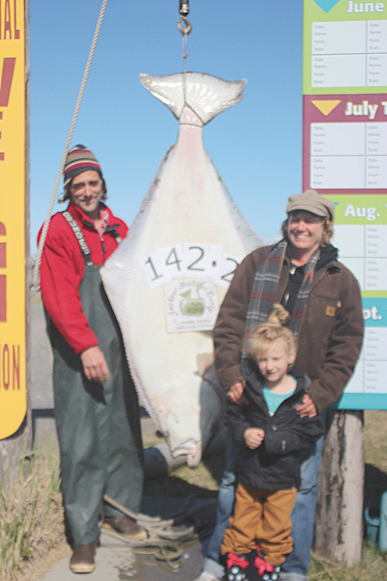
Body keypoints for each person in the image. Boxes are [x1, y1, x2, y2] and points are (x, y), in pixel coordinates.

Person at [195, 189, 364, 581]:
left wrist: (320, 395)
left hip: (302, 404)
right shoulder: (257, 263)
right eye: (295, 219)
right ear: (286, 223)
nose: (301, 226)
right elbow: (228, 324)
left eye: (311, 220)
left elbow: (347, 345)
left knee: (301, 490)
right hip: (250, 398)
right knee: (233, 482)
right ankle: (219, 561)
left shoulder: (341, 280)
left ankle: (292, 569)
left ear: (325, 228)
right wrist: (232, 376)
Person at [38, 144, 145, 574]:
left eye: (92, 182)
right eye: (78, 184)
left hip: (122, 348)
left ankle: (119, 509)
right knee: (82, 438)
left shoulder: (121, 227)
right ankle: (84, 535)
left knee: (123, 430)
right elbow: (59, 295)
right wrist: (85, 345)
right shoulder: (58, 229)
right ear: (68, 189)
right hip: (78, 349)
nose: (86, 190)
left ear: (103, 183)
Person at [220, 304, 325, 581]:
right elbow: (233, 418)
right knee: (241, 523)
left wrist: (278, 441)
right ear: (255, 359)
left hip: (283, 479)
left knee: (276, 528)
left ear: (291, 356)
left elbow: (311, 431)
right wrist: (244, 433)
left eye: (276, 359)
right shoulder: (249, 389)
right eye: (263, 359)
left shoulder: (302, 394)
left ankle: (271, 564)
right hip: (250, 475)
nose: (269, 366)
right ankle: (237, 561)